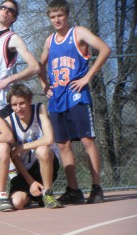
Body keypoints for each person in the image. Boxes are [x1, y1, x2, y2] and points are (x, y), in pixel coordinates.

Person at [39, 0, 110, 204]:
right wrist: (45, 85)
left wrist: (87, 77)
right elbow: (39, 65)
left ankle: (96, 187)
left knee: (87, 140)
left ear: (67, 15)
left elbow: (105, 49)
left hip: (77, 95)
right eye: (52, 17)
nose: (56, 20)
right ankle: (74, 190)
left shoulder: (79, 33)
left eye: (60, 15)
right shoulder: (49, 41)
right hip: (57, 98)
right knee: (62, 145)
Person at [0, 0, 40, 119]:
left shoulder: (12, 38)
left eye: (10, 10)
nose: (5, 10)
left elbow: (35, 67)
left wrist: (8, 80)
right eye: (3, 7)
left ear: (14, 18)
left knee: (5, 137)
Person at [4, 84, 62, 209]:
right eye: (14, 105)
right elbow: (14, 156)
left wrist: (23, 146)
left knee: (42, 149)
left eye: (22, 103)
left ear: (30, 100)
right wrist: (31, 182)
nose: (19, 108)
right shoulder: (9, 121)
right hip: (25, 171)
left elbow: (49, 139)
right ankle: (34, 196)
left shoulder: (40, 109)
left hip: (46, 163)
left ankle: (47, 193)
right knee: (16, 203)